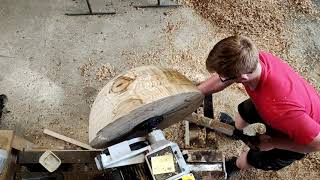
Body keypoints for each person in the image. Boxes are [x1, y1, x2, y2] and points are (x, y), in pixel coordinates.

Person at [197, 35, 320, 178]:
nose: (220, 78)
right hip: (272, 102)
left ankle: (234, 165)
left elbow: (317, 144)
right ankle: (235, 131)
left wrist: (273, 142)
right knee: (242, 115)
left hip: (299, 133)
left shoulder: (280, 110)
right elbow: (223, 79)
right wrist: (196, 92)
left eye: (223, 77)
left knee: (251, 158)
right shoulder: (253, 58)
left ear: (243, 78)